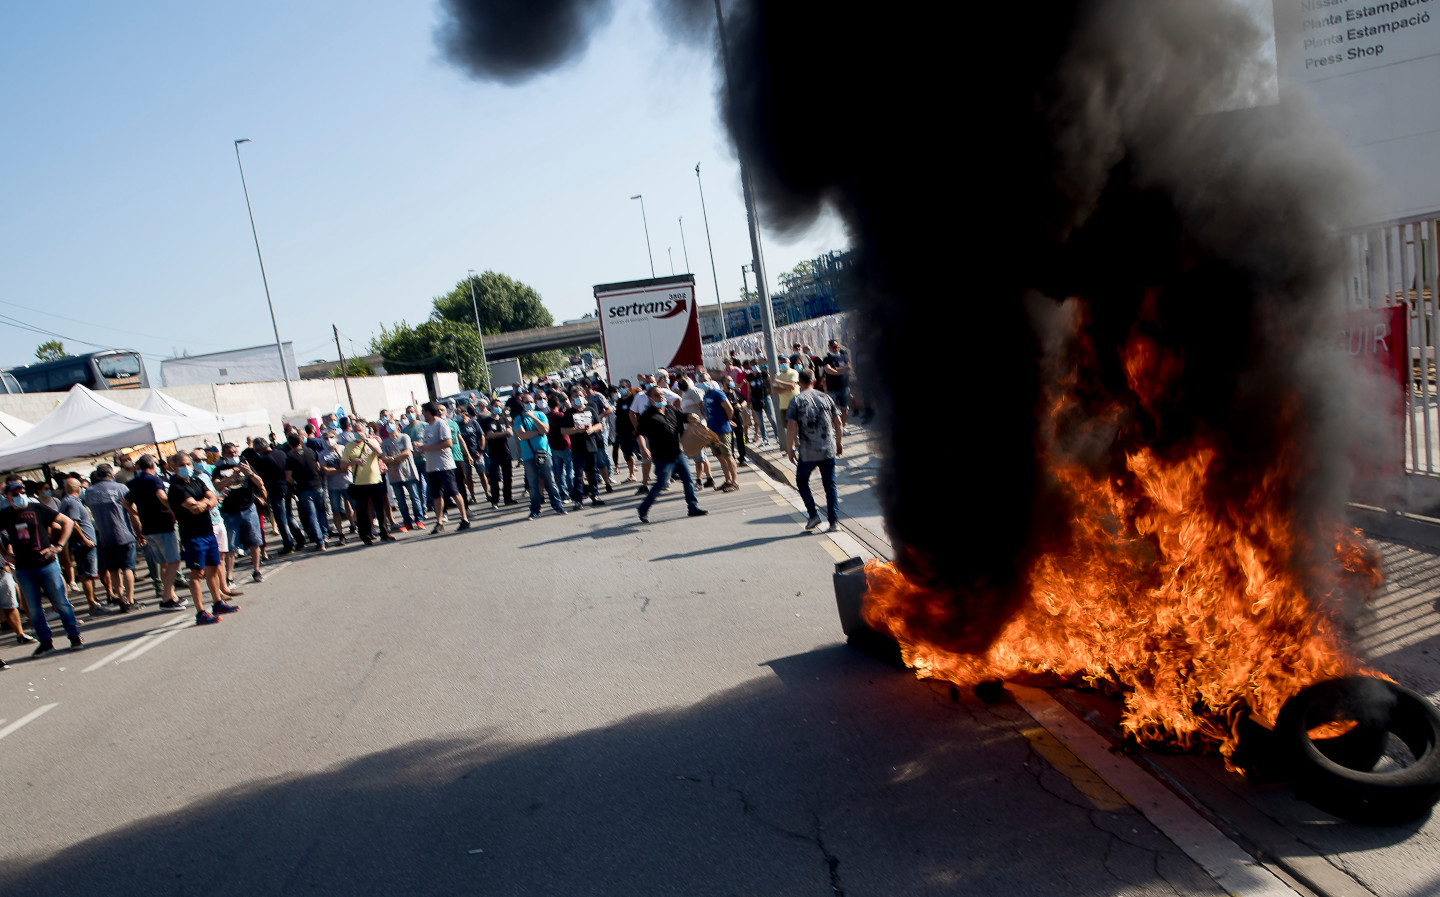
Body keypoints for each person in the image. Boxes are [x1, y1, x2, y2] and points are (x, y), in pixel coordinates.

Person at [0, 477, 84, 654]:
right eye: (15, 494)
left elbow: (67, 522)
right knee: (34, 608)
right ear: (7, 496)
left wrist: (58, 546)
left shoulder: (37, 508)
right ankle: (45, 642)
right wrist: (5, 554)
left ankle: (74, 636)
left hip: (47, 564)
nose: (20, 496)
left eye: (22, 492)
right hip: (24, 568)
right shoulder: (5, 515)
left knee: (61, 603)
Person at [167, 455, 240, 625]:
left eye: (188, 464)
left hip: (208, 532)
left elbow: (213, 497)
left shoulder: (196, 481)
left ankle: (218, 603)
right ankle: (200, 611)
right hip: (193, 536)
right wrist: (208, 502)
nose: (186, 467)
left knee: (213, 568)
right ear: (174, 467)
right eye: (181, 465)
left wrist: (206, 503)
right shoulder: (176, 488)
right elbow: (194, 508)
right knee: (197, 573)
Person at [635, 386, 707, 524]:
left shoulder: (670, 409)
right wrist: (643, 448)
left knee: (688, 480)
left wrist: (690, 416)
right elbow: (639, 434)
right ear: (650, 399)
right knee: (661, 483)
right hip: (662, 456)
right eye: (656, 395)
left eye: (661, 394)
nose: (660, 397)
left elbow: (683, 417)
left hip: (678, 453)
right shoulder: (647, 416)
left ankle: (693, 507)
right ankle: (643, 509)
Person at [125, 454, 186, 609]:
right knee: (173, 561)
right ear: (153, 465)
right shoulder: (154, 479)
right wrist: (173, 508)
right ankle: (166, 599)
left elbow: (125, 502)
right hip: (162, 526)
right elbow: (161, 496)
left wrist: (136, 513)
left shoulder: (135, 482)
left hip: (148, 528)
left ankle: (171, 595)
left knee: (164, 563)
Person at [785, 369, 843, 533]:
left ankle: (813, 515)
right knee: (830, 485)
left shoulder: (796, 400)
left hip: (808, 450)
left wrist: (790, 449)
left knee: (802, 481)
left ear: (799, 383)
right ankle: (834, 523)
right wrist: (839, 443)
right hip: (828, 448)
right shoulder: (826, 397)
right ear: (814, 380)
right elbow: (838, 423)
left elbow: (791, 427)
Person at [84, 463, 141, 609]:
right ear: (111, 475)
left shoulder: (89, 492)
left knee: (114, 570)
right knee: (128, 568)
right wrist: (139, 531)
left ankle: (121, 598)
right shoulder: (121, 488)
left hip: (105, 536)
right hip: (125, 534)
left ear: (96, 476)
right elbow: (132, 511)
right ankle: (130, 599)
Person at [213, 443, 267, 583]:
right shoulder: (219, 470)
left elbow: (260, 483)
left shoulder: (246, 465)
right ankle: (229, 577)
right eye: (230, 453)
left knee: (254, 541)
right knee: (231, 546)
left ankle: (256, 570)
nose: (233, 455)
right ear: (224, 455)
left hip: (248, 508)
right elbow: (217, 486)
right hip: (230, 512)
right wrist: (233, 476)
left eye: (235, 452)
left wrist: (249, 473)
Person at [57, 478, 108, 617]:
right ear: (78, 489)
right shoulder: (70, 502)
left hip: (84, 544)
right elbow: (73, 523)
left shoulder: (72, 502)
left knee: (90, 575)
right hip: (83, 545)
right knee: (87, 575)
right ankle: (92, 604)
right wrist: (85, 540)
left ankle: (94, 602)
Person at [513, 391, 568, 520]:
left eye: (531, 402)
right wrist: (537, 431)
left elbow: (545, 430)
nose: (529, 404)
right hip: (528, 455)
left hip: (544, 453)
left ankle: (557, 505)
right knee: (533, 483)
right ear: (522, 403)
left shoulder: (541, 414)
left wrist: (533, 418)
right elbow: (522, 435)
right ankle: (535, 509)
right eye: (527, 402)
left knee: (550, 480)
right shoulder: (518, 418)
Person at [417, 402, 470, 533]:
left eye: (423, 411)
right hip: (432, 466)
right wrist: (420, 448)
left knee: (453, 492)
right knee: (436, 495)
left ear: (428, 412)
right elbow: (429, 445)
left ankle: (464, 519)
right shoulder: (427, 427)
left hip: (444, 465)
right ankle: (439, 521)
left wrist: (426, 448)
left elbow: (448, 443)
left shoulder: (440, 424)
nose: (422, 414)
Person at [343, 417, 396, 544]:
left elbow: (379, 453)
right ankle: (366, 535)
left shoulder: (372, 441)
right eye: (355, 431)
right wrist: (353, 461)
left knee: (380, 508)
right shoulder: (349, 447)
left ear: (365, 430)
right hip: (359, 483)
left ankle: (384, 532)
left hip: (375, 481)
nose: (357, 433)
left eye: (359, 430)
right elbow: (343, 465)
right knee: (362, 511)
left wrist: (366, 440)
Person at [562, 388, 606, 509]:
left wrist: (592, 429)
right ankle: (578, 499)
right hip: (577, 447)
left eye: (580, 395)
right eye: (575, 396)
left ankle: (595, 495)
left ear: (584, 396)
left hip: (591, 445)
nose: (578, 398)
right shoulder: (569, 413)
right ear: (571, 399)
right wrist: (576, 430)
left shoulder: (590, 409)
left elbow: (599, 424)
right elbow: (563, 430)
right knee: (578, 473)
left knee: (593, 472)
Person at [285, 431, 328, 552]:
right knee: (321, 511)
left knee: (311, 515)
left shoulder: (290, 456)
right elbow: (318, 466)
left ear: (289, 444)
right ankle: (325, 534)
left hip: (304, 488)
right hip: (317, 484)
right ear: (300, 441)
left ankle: (320, 542)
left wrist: (294, 485)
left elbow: (288, 476)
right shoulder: (310, 451)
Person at [700, 373, 740, 491]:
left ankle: (734, 482)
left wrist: (728, 421)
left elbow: (730, 409)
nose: (703, 383)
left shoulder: (717, 393)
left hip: (722, 430)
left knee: (728, 455)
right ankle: (727, 481)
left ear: (710, 380)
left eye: (705, 380)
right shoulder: (705, 395)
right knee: (719, 456)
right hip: (712, 431)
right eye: (701, 380)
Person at [380, 422, 423, 531]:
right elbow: (384, 458)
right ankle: (407, 522)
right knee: (400, 500)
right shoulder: (385, 443)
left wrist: (392, 459)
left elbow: (407, 453)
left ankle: (419, 519)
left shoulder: (404, 437)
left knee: (414, 497)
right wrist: (394, 458)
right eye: (388, 424)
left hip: (408, 473)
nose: (390, 426)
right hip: (394, 475)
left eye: (392, 423)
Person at [317, 432, 356, 542]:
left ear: (336, 438)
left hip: (347, 483)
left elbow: (347, 465)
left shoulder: (343, 448)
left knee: (354, 506)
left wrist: (338, 452)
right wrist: (340, 469)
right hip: (333, 486)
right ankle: (341, 533)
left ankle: (354, 524)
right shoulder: (322, 454)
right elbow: (326, 471)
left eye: (331, 437)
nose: (329, 439)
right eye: (326, 438)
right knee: (336, 511)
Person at [479, 401, 514, 507]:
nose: (498, 408)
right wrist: (504, 434)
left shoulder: (503, 419)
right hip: (494, 453)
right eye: (496, 406)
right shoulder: (487, 421)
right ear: (491, 407)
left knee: (508, 477)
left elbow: (510, 433)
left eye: (499, 406)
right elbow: (490, 435)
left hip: (505, 452)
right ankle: (495, 500)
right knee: (494, 478)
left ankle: (508, 498)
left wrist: (498, 434)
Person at [546, 395, 574, 501]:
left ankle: (563, 493)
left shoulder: (547, 416)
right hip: (565, 445)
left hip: (554, 447)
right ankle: (572, 491)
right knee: (569, 471)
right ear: (558, 404)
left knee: (559, 472)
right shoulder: (562, 415)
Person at [822, 338, 853, 431]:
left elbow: (848, 367)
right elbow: (828, 370)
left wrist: (835, 369)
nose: (836, 348)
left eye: (837, 346)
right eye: (834, 347)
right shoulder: (827, 359)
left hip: (844, 387)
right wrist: (840, 371)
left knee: (845, 409)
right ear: (829, 347)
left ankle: (842, 428)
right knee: (832, 410)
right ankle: (833, 428)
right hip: (832, 388)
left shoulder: (844, 355)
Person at [772, 357, 802, 449]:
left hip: (795, 403)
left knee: (798, 424)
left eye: (784, 362)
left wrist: (779, 382)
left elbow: (792, 386)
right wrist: (786, 388)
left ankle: (799, 442)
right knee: (788, 427)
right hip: (784, 405)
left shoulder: (793, 372)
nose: (782, 364)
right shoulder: (778, 374)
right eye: (781, 362)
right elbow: (774, 390)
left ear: (788, 362)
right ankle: (792, 446)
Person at [613, 380, 639, 483]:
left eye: (623, 386)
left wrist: (636, 428)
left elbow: (637, 414)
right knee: (627, 454)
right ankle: (632, 474)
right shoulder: (619, 401)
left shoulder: (634, 399)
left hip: (633, 431)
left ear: (629, 387)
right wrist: (617, 430)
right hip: (622, 432)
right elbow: (617, 417)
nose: (621, 388)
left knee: (641, 453)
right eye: (620, 387)